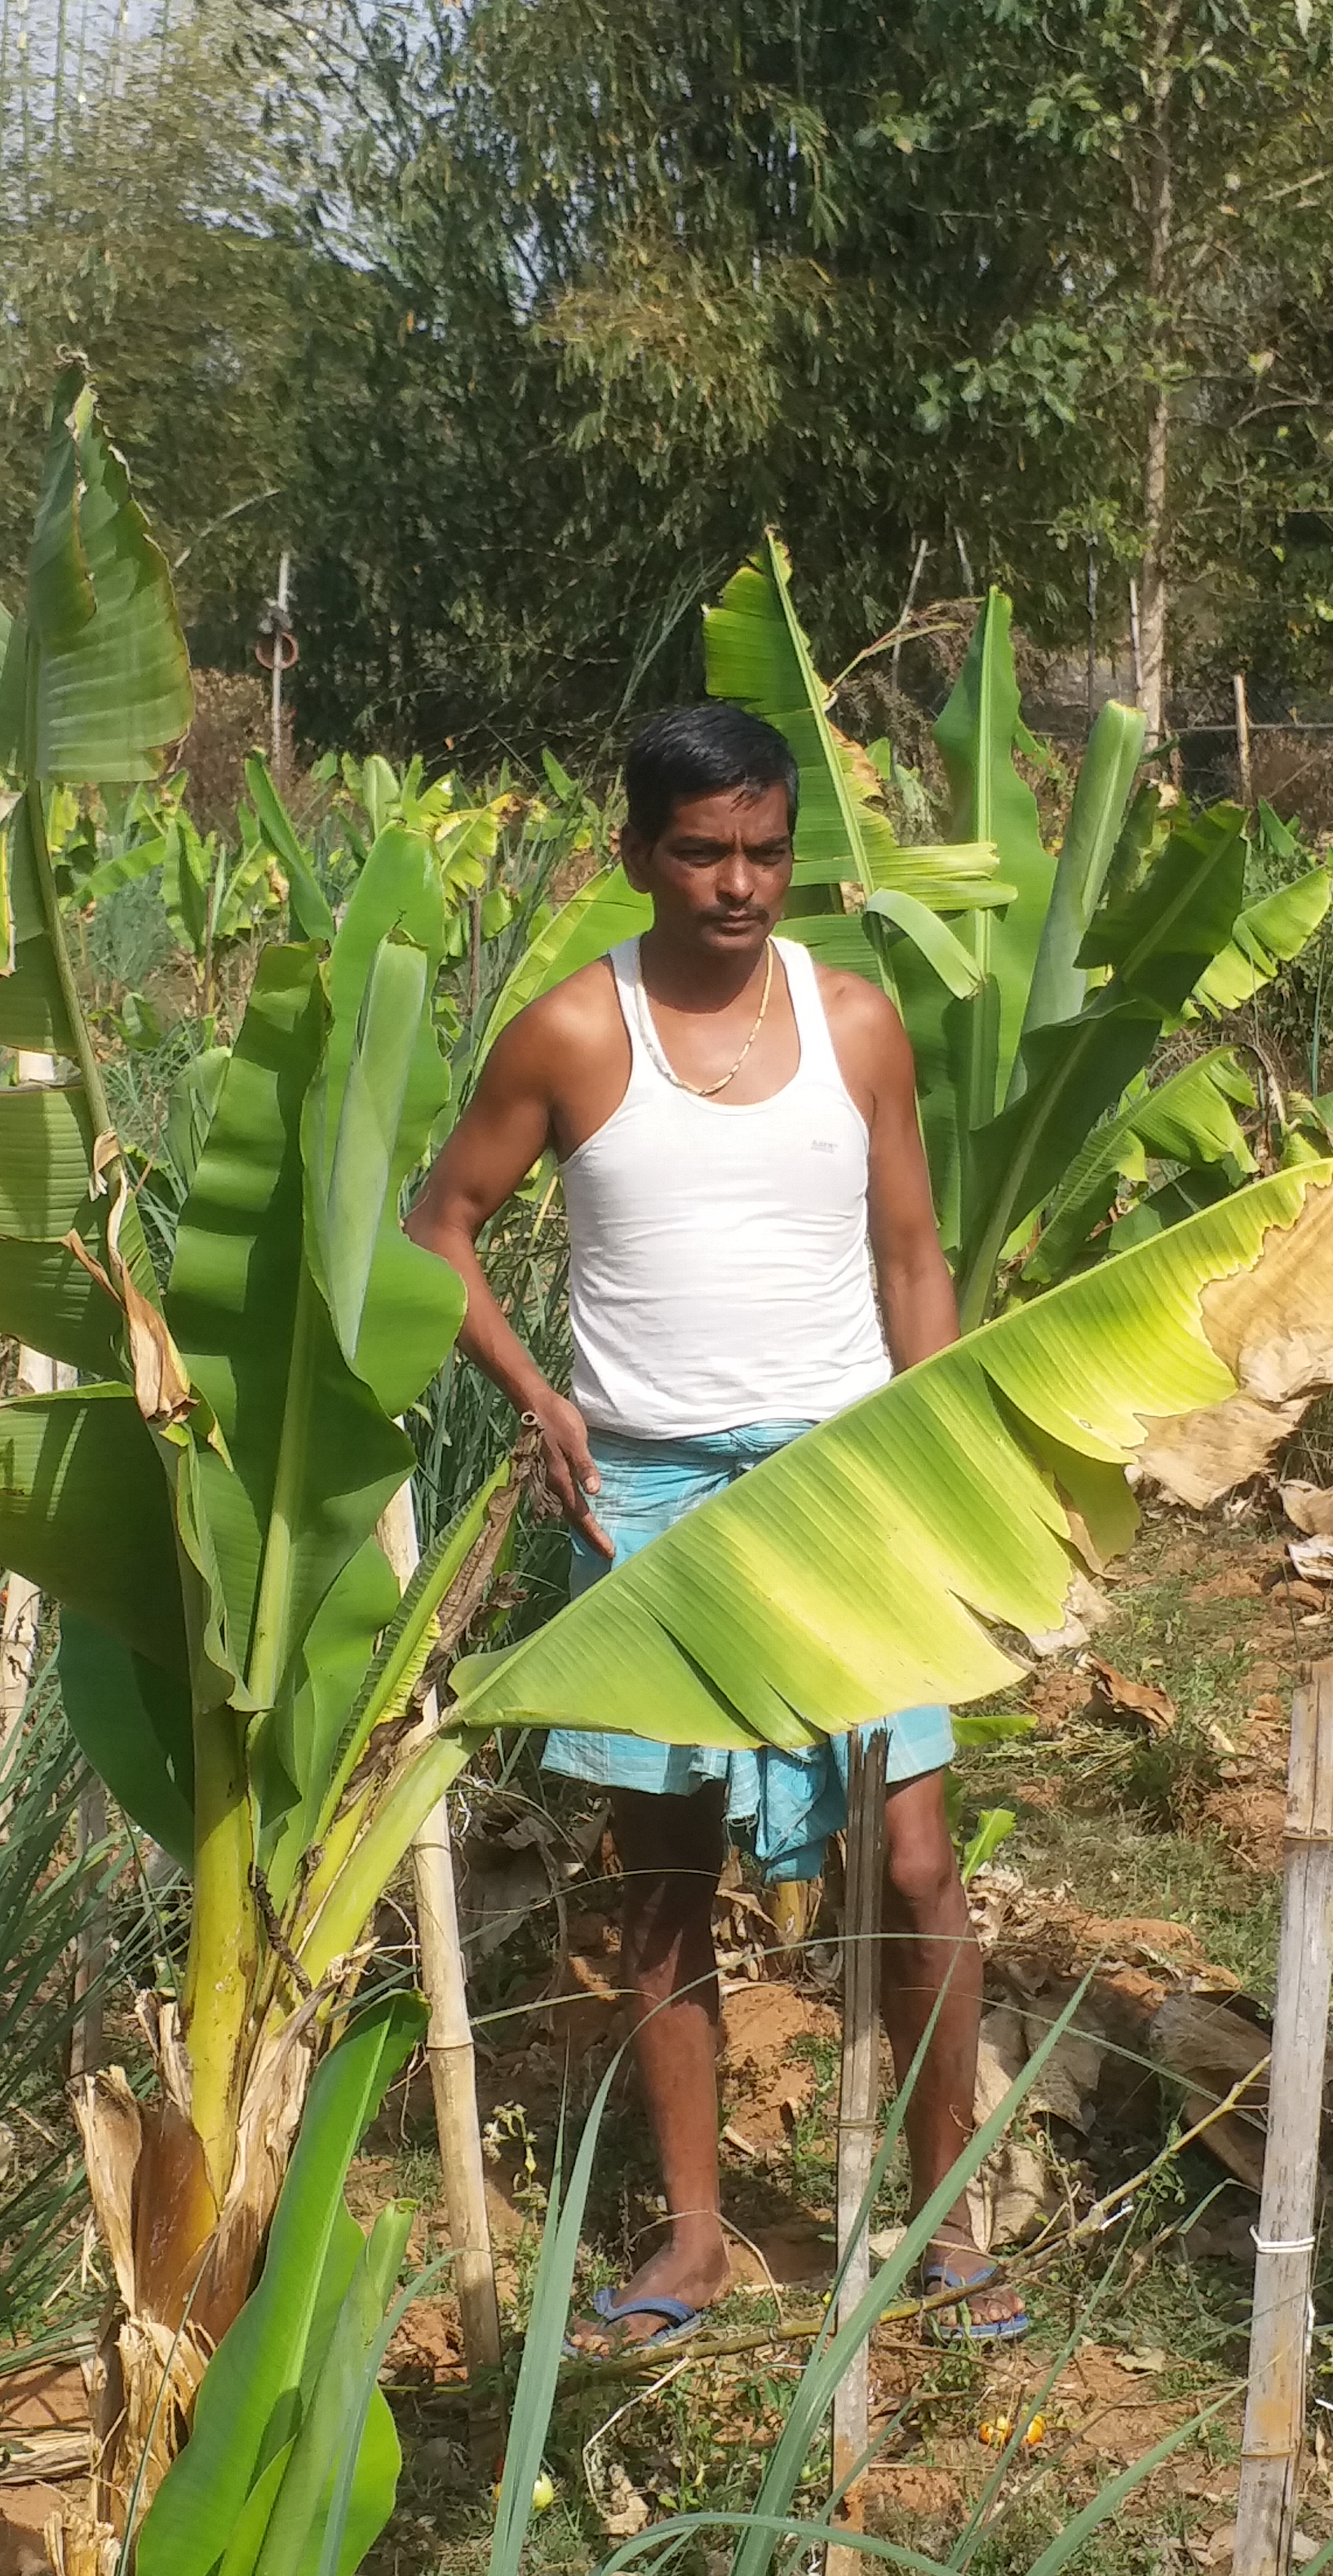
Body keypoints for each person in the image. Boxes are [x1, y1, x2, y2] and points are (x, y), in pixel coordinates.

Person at [405, 702, 1024, 2356]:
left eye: (765, 850)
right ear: (638, 855)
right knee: (663, 1885)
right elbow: (440, 1225)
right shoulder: (570, 1036)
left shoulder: (857, 1027)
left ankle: (949, 2218)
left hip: (846, 1485)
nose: (739, 883)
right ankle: (692, 2239)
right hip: (650, 1500)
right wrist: (540, 1397)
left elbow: (910, 1256)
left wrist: (941, 1450)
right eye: (703, 851)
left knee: (909, 1860)